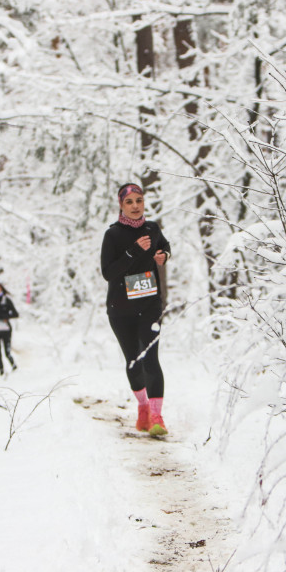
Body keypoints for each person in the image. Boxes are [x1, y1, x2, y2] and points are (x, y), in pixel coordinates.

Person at [100, 183, 171, 436]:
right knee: (134, 361)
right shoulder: (113, 235)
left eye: (139, 200)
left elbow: (164, 246)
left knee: (151, 359)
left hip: (150, 304)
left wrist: (163, 255)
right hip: (121, 309)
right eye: (129, 202)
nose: (135, 206)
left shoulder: (152, 228)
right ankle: (143, 408)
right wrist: (133, 251)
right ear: (121, 205)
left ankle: (157, 417)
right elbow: (108, 273)